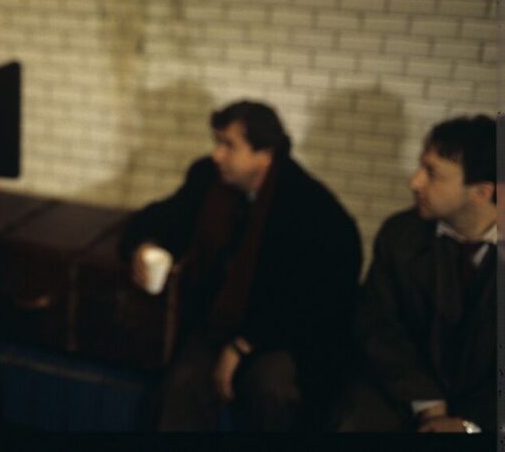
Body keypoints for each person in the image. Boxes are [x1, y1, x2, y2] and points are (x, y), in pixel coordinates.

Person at [118, 100, 362, 431]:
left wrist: (242, 346)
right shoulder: (210, 180)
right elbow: (165, 217)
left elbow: (318, 301)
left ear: (264, 153)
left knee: (272, 390)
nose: (217, 155)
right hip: (220, 320)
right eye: (217, 143)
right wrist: (144, 243)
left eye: (229, 145)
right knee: (182, 384)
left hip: (282, 334)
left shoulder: (310, 208)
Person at [336, 115, 496, 434]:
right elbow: (377, 324)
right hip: (403, 392)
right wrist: (427, 402)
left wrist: (469, 424)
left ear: (481, 192)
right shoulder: (401, 233)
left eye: (432, 173)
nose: (414, 181)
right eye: (420, 166)